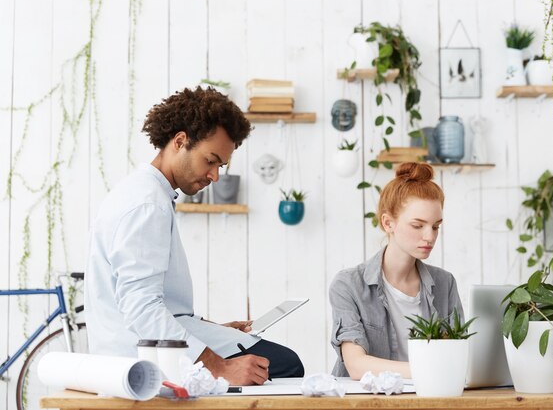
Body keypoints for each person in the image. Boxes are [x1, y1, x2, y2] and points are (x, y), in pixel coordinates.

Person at [84, 86, 304, 385]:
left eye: (221, 166)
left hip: (146, 342)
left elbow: (158, 302)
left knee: (276, 360)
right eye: (210, 160)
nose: (215, 176)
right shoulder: (147, 205)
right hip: (138, 356)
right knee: (283, 365)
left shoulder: (143, 193)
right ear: (180, 141)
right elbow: (142, 309)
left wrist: (215, 330)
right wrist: (219, 368)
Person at [329, 162, 464, 379]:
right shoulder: (349, 285)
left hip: (429, 396)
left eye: (436, 226)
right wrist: (431, 371)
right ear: (388, 223)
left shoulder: (444, 283)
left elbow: (457, 353)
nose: (430, 236)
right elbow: (356, 365)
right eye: (418, 226)